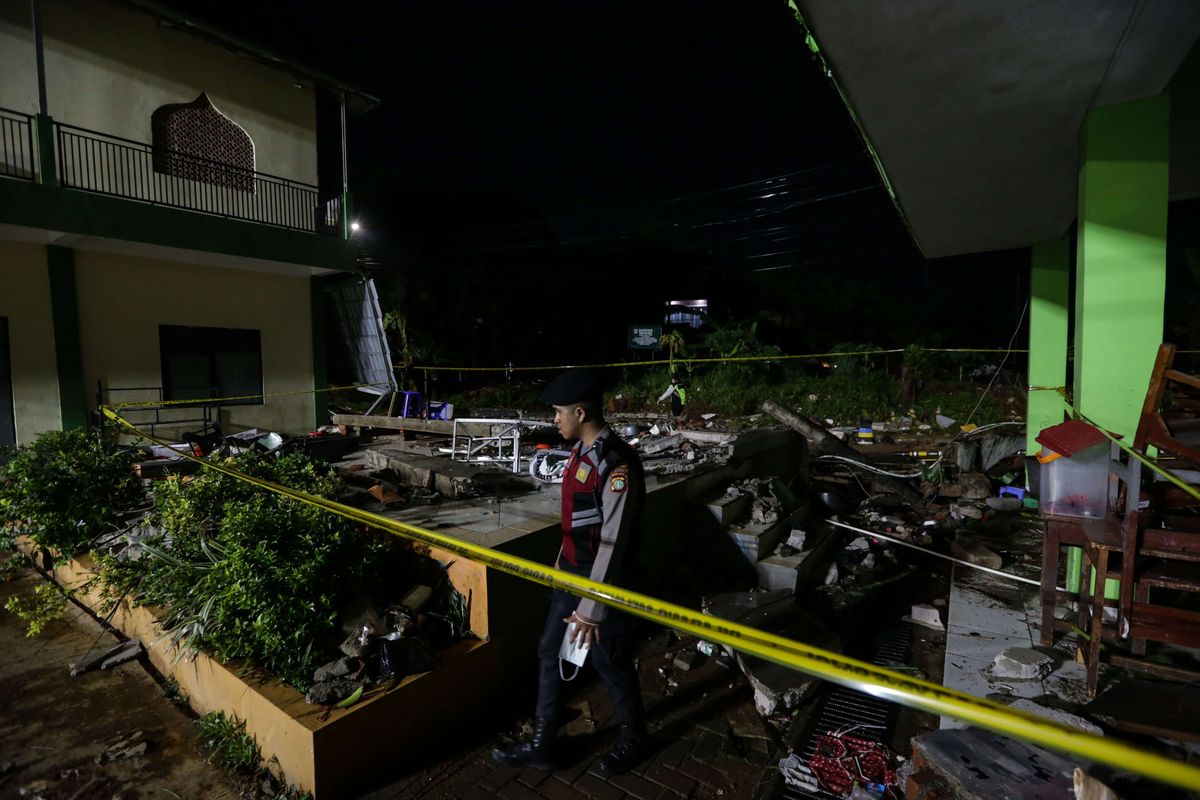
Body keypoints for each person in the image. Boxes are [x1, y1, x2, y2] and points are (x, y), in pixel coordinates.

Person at [491, 367, 649, 775]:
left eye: (559, 412)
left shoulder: (617, 466)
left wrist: (592, 608)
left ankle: (635, 737)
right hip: (571, 577)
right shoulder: (580, 453)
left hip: (602, 586)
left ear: (581, 412)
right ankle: (543, 743)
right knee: (548, 651)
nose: (555, 419)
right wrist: (560, 569)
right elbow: (576, 522)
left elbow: (612, 544)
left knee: (609, 661)